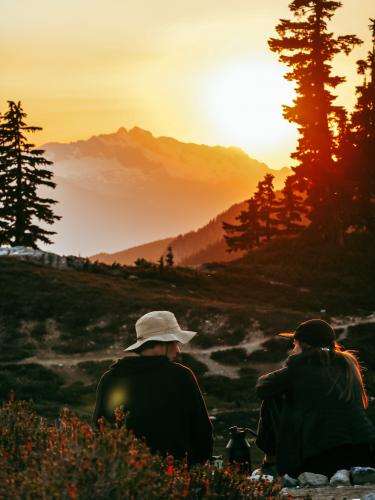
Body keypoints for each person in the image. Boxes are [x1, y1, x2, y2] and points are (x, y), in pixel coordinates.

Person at [255, 318, 375, 478]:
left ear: (304, 345)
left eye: (294, 344)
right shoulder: (348, 364)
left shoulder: (300, 366)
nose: (292, 350)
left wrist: (290, 367)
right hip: (364, 454)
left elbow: (262, 387)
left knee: (272, 398)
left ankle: (271, 461)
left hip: (320, 460)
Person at [93, 310, 213, 465]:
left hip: (125, 475)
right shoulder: (181, 376)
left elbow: (99, 429)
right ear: (161, 344)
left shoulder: (110, 378)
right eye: (175, 342)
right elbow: (202, 431)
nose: (178, 350)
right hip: (176, 474)